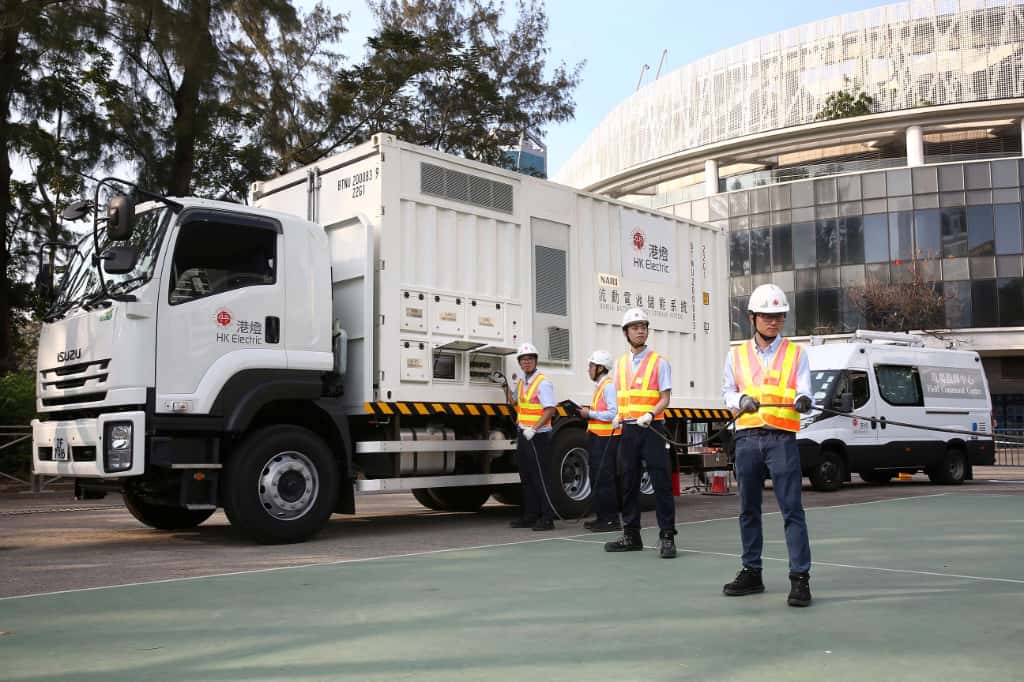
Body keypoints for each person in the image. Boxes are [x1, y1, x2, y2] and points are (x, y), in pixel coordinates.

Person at [721, 283, 814, 607]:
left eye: (778, 316)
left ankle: (799, 579)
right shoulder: (737, 355)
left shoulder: (796, 353)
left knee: (792, 510)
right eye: (767, 316)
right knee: (748, 509)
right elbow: (727, 392)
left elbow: (805, 390)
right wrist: (740, 399)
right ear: (752, 318)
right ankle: (752, 572)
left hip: (781, 439)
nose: (773, 322)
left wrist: (803, 400)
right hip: (747, 438)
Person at [604, 308, 677, 558]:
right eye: (635, 327)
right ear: (626, 332)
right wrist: (618, 415)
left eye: (643, 326)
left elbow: (665, 398)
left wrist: (650, 413)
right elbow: (623, 397)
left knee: (661, 483)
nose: (640, 330)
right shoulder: (620, 364)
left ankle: (667, 536)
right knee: (628, 483)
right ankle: (631, 535)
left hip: (652, 427)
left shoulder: (659, 362)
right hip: (629, 429)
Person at [504, 342, 558, 531]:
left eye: (530, 359)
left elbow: (550, 409)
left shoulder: (543, 382)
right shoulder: (522, 382)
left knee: (541, 478)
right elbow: (515, 403)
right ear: (519, 363)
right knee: (526, 476)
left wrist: (534, 428)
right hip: (524, 434)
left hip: (538, 437)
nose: (526, 362)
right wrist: (504, 385)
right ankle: (530, 516)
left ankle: (547, 518)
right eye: (523, 359)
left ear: (535, 361)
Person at [579, 350, 621, 532]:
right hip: (598, 439)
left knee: (605, 480)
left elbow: (613, 412)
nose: (589, 369)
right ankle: (601, 517)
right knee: (596, 478)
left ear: (600, 368)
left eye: (591, 366)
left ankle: (611, 520)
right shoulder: (601, 386)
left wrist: (590, 413)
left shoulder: (609, 386)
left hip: (606, 440)